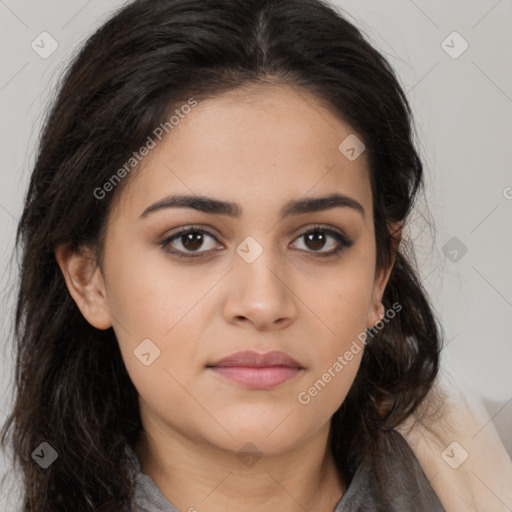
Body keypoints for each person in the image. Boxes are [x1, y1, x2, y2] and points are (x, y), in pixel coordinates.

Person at [2, 0, 498, 510]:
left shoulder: (489, 471)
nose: (262, 304)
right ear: (89, 280)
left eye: (317, 239)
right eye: (192, 239)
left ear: (380, 274)